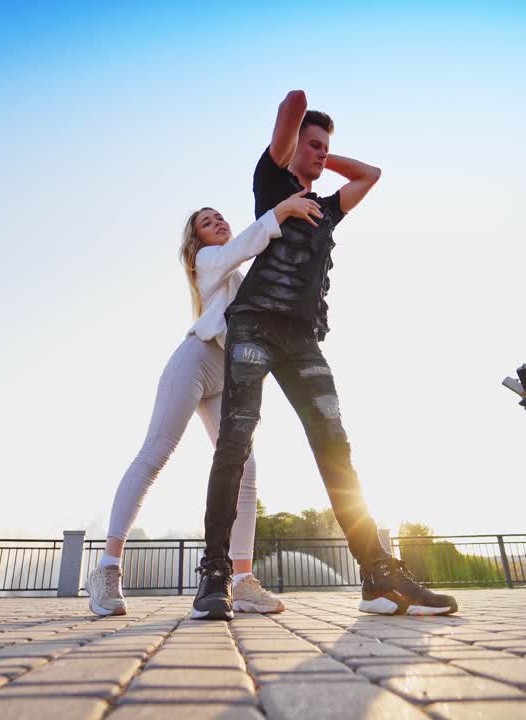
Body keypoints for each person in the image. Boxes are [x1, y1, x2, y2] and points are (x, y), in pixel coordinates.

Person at [190, 90, 459, 620]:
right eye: (312, 144)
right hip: (253, 326)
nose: (318, 153)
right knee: (236, 440)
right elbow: (295, 101)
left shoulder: (327, 208)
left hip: (302, 338)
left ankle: (378, 578)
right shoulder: (271, 183)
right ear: (289, 147)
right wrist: (295, 151)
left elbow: (370, 175)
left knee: (336, 446)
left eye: (325, 147)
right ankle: (215, 575)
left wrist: (322, 158)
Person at [85, 193, 324, 616]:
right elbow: (244, 245)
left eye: (220, 217)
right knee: (156, 452)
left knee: (246, 470)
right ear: (197, 241)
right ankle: (106, 568)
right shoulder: (211, 260)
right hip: (195, 361)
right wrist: (282, 209)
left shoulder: (237, 272)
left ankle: (241, 578)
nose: (218, 223)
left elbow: (260, 258)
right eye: (207, 222)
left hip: (229, 374)